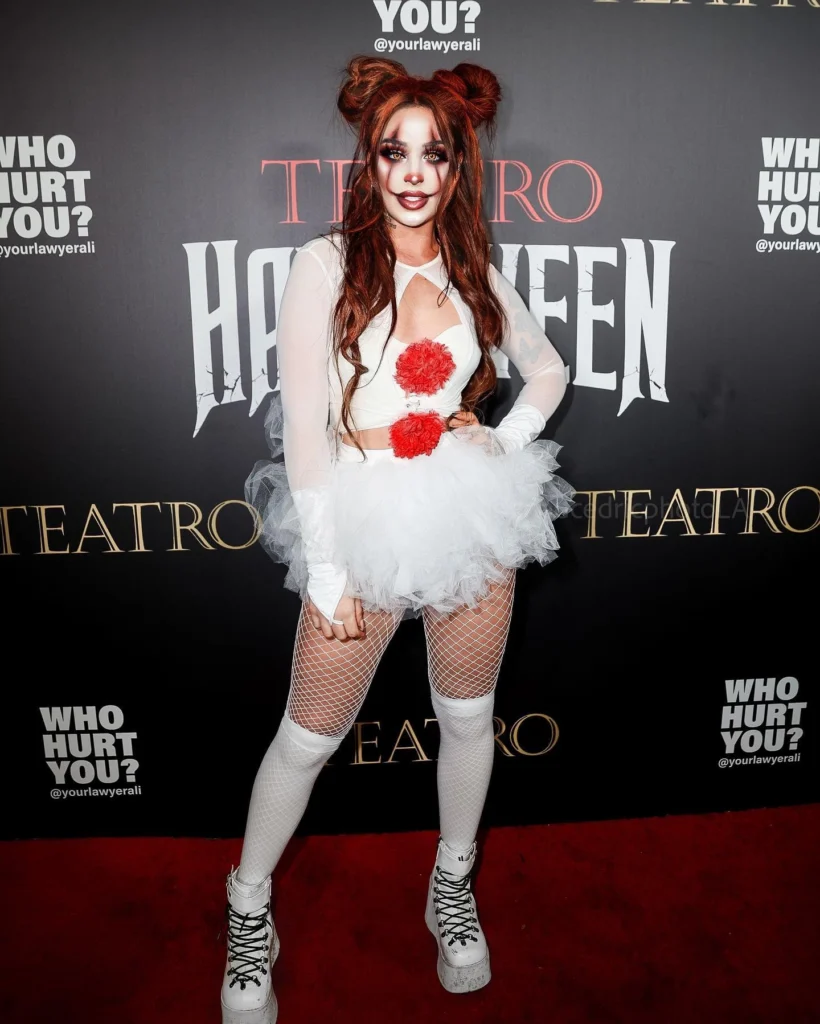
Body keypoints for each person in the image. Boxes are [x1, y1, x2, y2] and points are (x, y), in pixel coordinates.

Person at [221, 56, 574, 1024]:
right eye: (393, 151)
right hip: (362, 514)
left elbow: (546, 372)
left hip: (469, 511)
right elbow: (303, 427)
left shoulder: (477, 273)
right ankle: (249, 904)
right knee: (307, 735)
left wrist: (499, 437)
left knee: (467, 718)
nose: (413, 170)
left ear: (457, 167)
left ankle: (450, 883)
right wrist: (328, 568)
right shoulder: (322, 265)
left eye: (434, 152)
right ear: (368, 164)